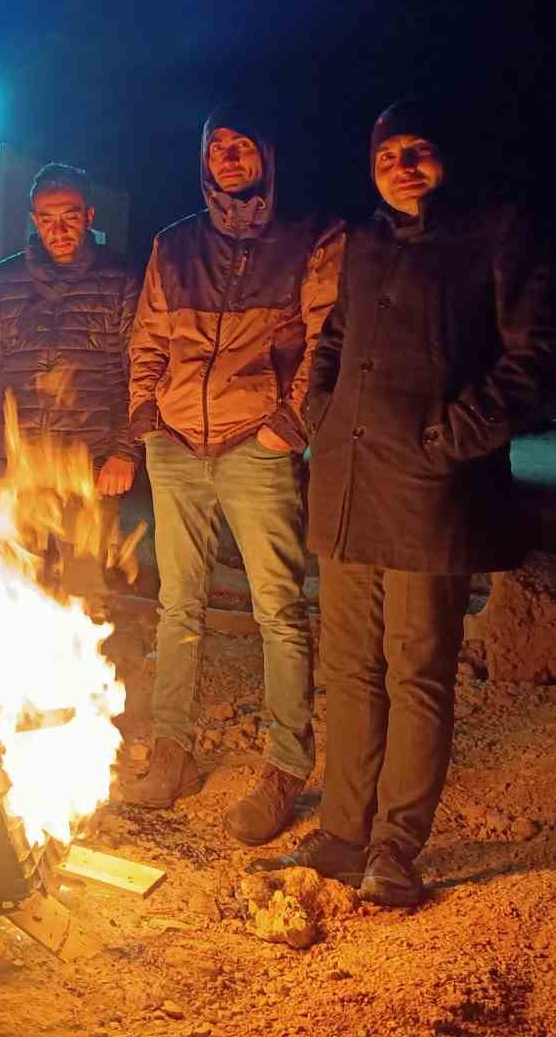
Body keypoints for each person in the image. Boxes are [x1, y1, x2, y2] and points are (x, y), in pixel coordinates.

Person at [252, 100, 556, 905]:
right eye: (388, 154)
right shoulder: (364, 242)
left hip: (431, 493)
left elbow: (536, 355)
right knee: (351, 669)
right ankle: (343, 836)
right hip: (349, 489)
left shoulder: (495, 233)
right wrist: (320, 407)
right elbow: (333, 339)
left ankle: (397, 846)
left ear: (447, 158)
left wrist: (449, 438)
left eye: (419, 150)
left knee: (418, 672)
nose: (403, 165)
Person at [120, 106, 343, 847]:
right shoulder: (174, 244)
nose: (229, 158)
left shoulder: (312, 238)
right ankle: (174, 750)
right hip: (177, 442)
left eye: (243, 145)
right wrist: (145, 412)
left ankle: (285, 767)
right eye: (218, 147)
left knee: (277, 607)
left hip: (258, 444)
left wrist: (291, 423)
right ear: (204, 160)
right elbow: (148, 337)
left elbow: (325, 338)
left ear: (267, 155)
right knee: (176, 604)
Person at [0, 162, 140, 604]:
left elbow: (140, 373)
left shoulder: (120, 280)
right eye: (46, 218)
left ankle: (81, 672)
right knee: (14, 588)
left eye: (69, 216)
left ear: (90, 216)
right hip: (16, 464)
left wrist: (124, 450)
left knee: (85, 591)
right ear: (33, 220)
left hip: (91, 466)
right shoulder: (3, 283)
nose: (57, 229)